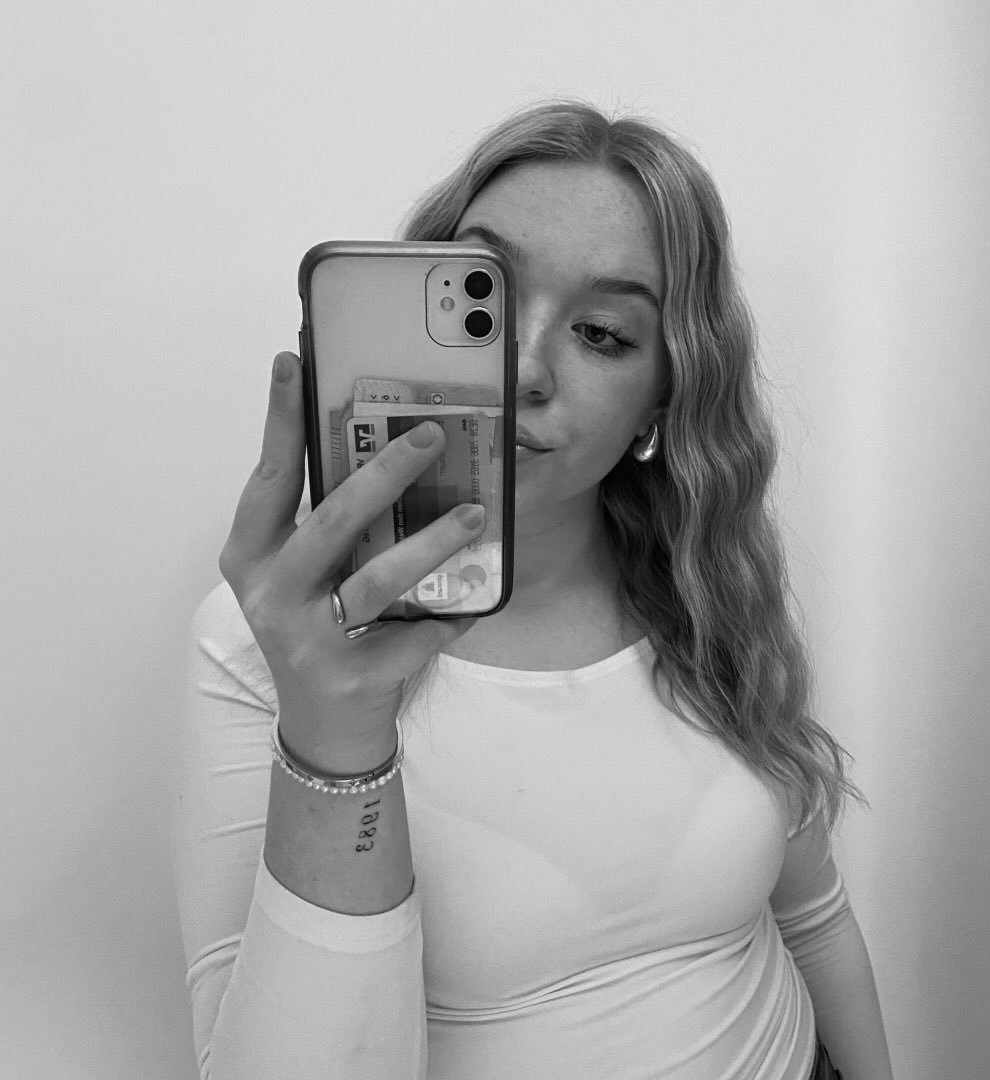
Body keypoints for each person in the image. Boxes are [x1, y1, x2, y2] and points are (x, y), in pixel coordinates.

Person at [171, 98, 894, 1080]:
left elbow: (814, 918)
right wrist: (335, 740)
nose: (522, 367)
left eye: (601, 333)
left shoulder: (705, 584)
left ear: (661, 401)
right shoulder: (271, 641)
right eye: (483, 300)